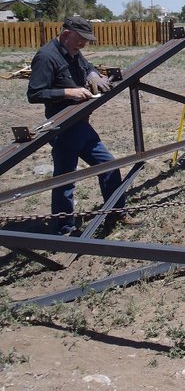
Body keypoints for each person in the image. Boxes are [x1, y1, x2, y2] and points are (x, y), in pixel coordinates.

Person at [27, 16, 140, 235]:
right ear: (67, 33)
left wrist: (93, 74)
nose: (84, 45)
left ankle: (116, 212)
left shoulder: (73, 51)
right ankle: (64, 229)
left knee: (108, 165)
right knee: (66, 179)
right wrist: (68, 92)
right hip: (62, 127)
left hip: (81, 125)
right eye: (81, 39)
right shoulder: (46, 57)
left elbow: (85, 65)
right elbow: (34, 93)